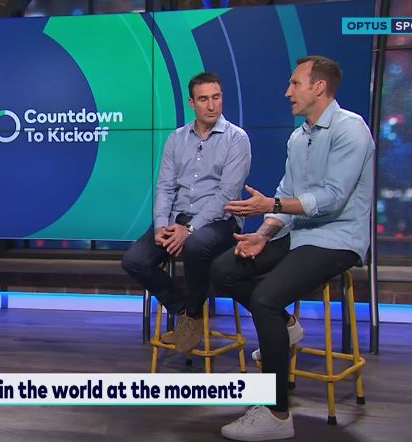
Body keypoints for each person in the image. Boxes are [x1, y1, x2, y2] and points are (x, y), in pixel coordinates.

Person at [211, 56, 374, 441]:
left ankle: (277, 412)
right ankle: (286, 327)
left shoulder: (351, 129)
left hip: (337, 239)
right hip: (299, 234)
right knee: (223, 270)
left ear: (319, 87)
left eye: (295, 84)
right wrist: (264, 234)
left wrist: (270, 206)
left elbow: (332, 198)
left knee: (265, 298)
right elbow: (286, 193)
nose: (288, 92)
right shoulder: (299, 137)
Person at [122, 72, 251, 353]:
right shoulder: (176, 138)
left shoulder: (237, 139)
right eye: (203, 99)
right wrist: (161, 225)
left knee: (195, 245)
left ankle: (192, 315)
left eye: (216, 97)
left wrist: (190, 230)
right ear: (192, 103)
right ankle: (185, 312)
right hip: (177, 218)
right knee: (135, 260)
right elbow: (165, 187)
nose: (211, 105)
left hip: (221, 220)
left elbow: (226, 195)